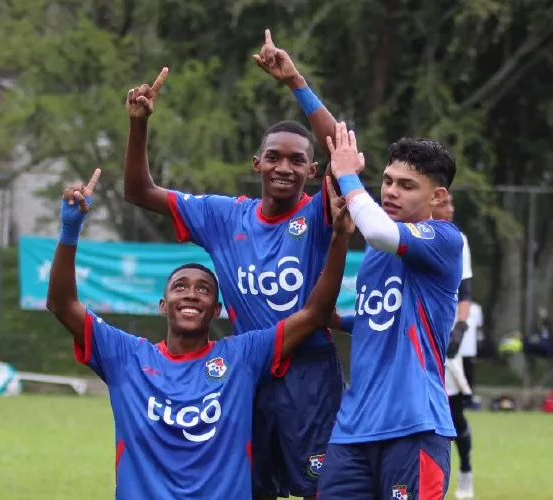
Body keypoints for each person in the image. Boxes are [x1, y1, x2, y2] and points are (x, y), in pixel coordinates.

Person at [46, 169, 354, 499]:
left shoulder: (242, 357)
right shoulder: (127, 358)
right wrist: (69, 230)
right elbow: (62, 304)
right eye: (181, 287)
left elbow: (313, 314)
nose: (192, 294)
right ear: (164, 305)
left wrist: (339, 239)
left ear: (217, 309)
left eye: (204, 289)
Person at [123, 63, 344, 500]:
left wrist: (295, 83)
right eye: (274, 157)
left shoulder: (319, 214)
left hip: (310, 373)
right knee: (249, 488)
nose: (284, 167)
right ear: (256, 163)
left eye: (297, 160)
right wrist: (138, 125)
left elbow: (344, 150)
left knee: (322, 490)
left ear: (313, 171)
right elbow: (138, 191)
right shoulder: (223, 215)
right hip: (248, 373)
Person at [318, 122, 462, 500]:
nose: (391, 192)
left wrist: (349, 177)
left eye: (407, 185)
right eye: (387, 181)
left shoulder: (444, 240)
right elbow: (381, 321)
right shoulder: (375, 256)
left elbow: (379, 231)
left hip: (414, 426)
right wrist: (296, 83)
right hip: (354, 429)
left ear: (437, 196)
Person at [434, 193, 475, 499]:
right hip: (416, 340)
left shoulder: (458, 240)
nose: (449, 210)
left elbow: (465, 293)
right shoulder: (407, 232)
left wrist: (459, 328)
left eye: (452, 206)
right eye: (444, 204)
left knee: (454, 415)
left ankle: (465, 471)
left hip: (445, 341)